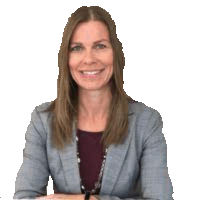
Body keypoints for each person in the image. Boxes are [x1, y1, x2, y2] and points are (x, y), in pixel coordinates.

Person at [14, 6, 173, 200]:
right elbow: (24, 197)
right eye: (77, 48)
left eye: (100, 46)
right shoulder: (43, 121)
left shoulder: (147, 122)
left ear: (115, 53)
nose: (89, 59)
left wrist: (88, 199)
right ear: (67, 58)